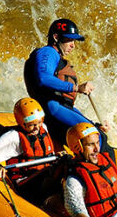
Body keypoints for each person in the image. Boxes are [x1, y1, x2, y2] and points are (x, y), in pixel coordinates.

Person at [23, 18, 110, 147]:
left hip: (59, 108)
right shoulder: (48, 52)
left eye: (74, 41)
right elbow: (43, 78)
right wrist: (76, 88)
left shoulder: (56, 56)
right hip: (52, 108)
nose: (73, 45)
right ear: (56, 37)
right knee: (96, 136)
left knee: (98, 132)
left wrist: (95, 125)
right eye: (69, 40)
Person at [0, 97, 64, 206]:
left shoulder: (43, 127)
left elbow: (47, 154)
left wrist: (57, 156)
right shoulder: (14, 136)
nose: (37, 128)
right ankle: (48, 202)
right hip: (25, 182)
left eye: (39, 122)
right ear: (22, 123)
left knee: (66, 164)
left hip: (43, 175)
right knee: (49, 172)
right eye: (32, 125)